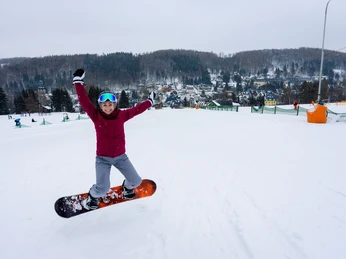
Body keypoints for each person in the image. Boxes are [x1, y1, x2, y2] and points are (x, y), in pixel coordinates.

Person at [73, 69, 156, 210]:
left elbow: (137, 109)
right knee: (102, 189)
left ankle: (126, 188)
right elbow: (84, 100)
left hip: (121, 157)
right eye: (104, 105)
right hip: (102, 159)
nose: (107, 107)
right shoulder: (96, 116)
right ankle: (92, 196)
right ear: (100, 106)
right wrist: (78, 82)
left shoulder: (121, 115)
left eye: (110, 104)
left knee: (136, 181)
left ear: (115, 104)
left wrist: (149, 101)